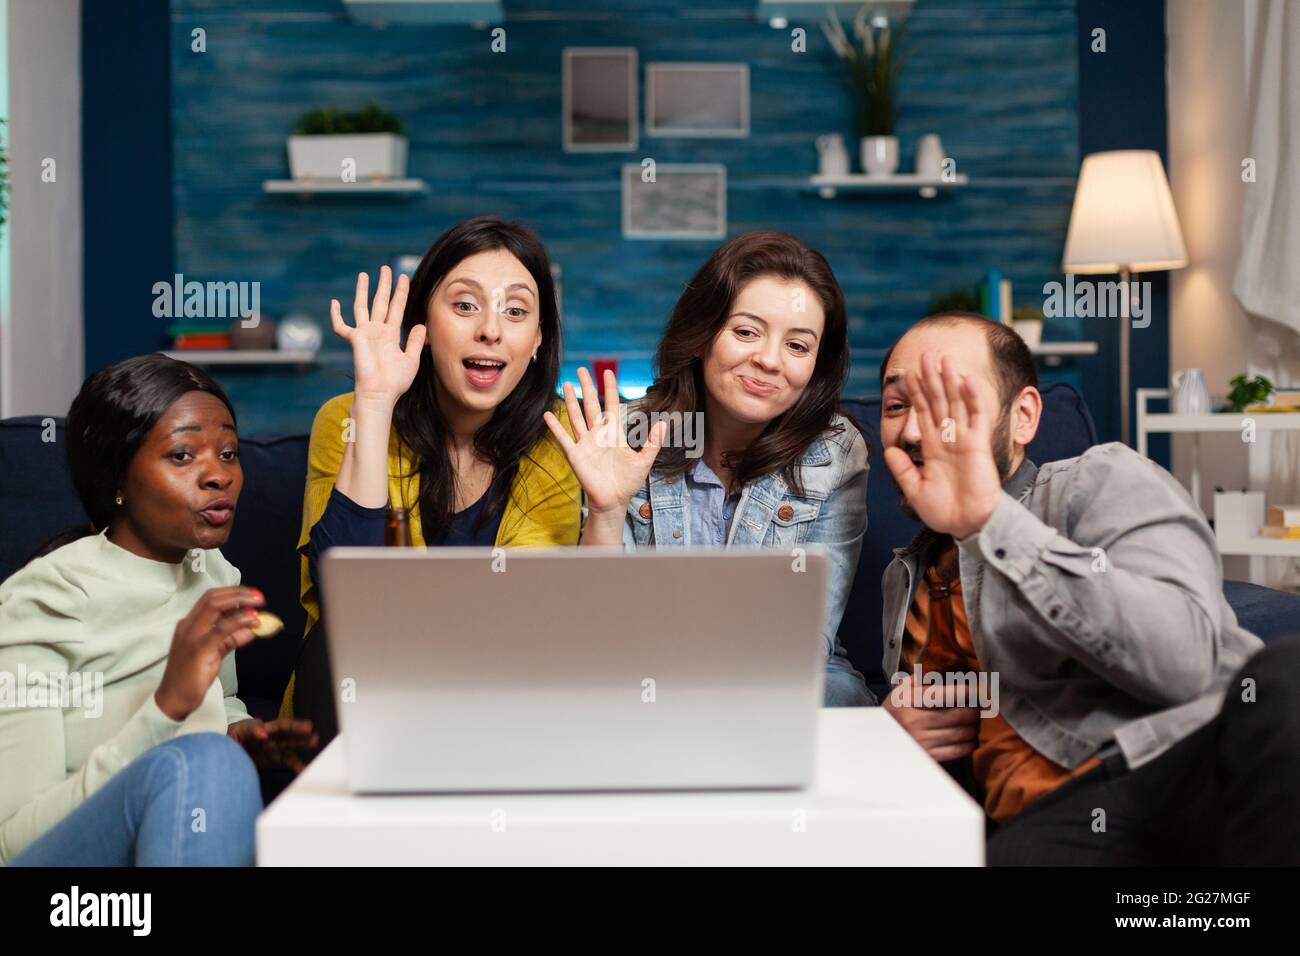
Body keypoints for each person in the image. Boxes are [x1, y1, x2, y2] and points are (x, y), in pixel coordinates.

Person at [876, 310, 1298, 864]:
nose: (914, 430)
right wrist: (888, 732)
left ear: (1023, 416)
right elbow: (986, 703)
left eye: (948, 403)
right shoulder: (908, 578)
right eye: (897, 406)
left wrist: (991, 522)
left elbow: (1184, 658)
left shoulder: (1100, 481)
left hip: (1188, 770)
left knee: (1287, 677)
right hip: (1057, 831)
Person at [1, 354, 315, 866]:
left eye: (229, 452)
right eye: (182, 455)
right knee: (206, 762)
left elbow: (221, 700)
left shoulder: (214, 572)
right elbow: (14, 844)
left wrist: (239, 734)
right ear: (118, 479)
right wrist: (168, 706)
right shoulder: (42, 604)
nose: (219, 475)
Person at [284, 216, 581, 742]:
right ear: (421, 322)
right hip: (365, 699)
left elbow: (533, 607)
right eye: (465, 305)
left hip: (504, 701)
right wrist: (374, 403)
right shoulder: (346, 418)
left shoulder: (557, 437)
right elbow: (348, 595)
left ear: (537, 339)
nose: (490, 329)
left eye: (516, 311)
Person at [544, 231, 873, 705]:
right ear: (702, 337)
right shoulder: (630, 435)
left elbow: (807, 640)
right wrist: (606, 510)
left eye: (797, 346)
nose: (768, 360)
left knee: (832, 693)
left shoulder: (834, 452)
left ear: (816, 367)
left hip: (784, 674)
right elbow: (599, 630)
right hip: (640, 667)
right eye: (746, 332)